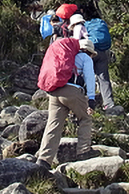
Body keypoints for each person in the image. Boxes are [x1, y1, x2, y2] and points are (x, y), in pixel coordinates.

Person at [36, 39, 100, 169]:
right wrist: (91, 99)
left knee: (53, 124)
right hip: (73, 91)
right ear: (90, 52)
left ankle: (44, 159)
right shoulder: (85, 58)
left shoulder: (68, 55)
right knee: (85, 119)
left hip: (55, 91)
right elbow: (89, 78)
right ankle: (84, 151)